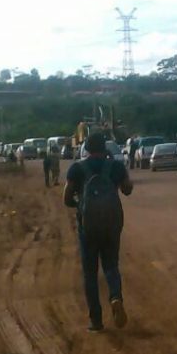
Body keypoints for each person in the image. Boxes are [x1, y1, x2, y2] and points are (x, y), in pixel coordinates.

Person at [63, 131, 133, 332]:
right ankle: (115, 297)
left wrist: (80, 205)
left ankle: (96, 321)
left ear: (86, 147)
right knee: (111, 266)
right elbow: (127, 189)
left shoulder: (77, 168)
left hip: (88, 229)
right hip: (111, 226)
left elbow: (66, 198)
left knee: (90, 274)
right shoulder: (116, 166)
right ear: (105, 147)